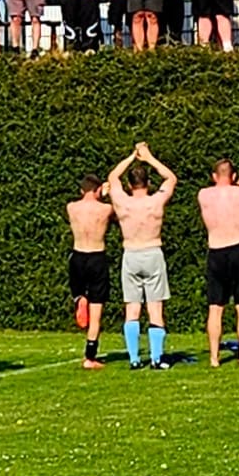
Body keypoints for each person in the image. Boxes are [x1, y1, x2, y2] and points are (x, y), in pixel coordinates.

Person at [107, 142, 177, 370]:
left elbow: (112, 176)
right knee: (155, 309)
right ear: (148, 183)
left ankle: (135, 358)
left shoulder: (122, 201)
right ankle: (156, 359)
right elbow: (171, 178)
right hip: (152, 252)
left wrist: (130, 157)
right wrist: (148, 157)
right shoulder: (155, 200)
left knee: (132, 309)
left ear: (129, 184)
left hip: (131, 254)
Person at [199, 159, 239, 366]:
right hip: (238, 248)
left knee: (215, 307)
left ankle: (214, 358)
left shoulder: (203, 194)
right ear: (233, 176)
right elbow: (237, 195)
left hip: (216, 251)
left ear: (214, 176)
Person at [66, 174, 115, 369]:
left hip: (77, 256)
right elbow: (120, 215)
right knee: (96, 311)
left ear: (81, 190)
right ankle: (90, 357)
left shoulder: (71, 207)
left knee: (80, 291)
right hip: (96, 256)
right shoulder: (105, 208)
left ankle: (79, 298)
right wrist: (106, 195)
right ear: (98, 190)